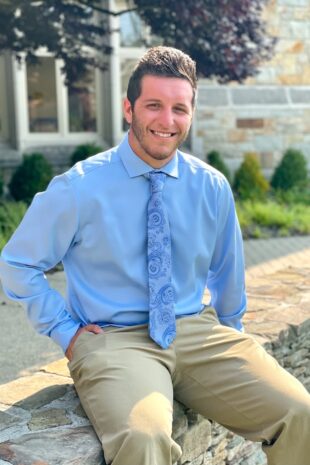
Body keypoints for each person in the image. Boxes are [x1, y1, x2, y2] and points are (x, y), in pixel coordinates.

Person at [0, 46, 309, 465]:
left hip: (197, 332)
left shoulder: (211, 187)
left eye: (179, 108)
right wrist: (63, 330)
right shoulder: (79, 188)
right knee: (144, 439)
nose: (167, 121)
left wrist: (232, 334)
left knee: (301, 415)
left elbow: (227, 272)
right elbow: (17, 263)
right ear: (129, 109)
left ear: (192, 112)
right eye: (154, 106)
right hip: (115, 339)